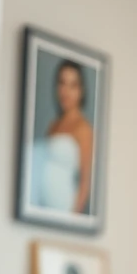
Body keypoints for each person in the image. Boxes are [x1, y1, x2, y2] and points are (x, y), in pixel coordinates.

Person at [31, 59, 94, 215]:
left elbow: (86, 182)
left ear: (81, 90)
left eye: (72, 85)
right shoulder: (53, 126)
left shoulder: (83, 128)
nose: (66, 91)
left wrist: (73, 216)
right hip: (43, 208)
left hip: (65, 208)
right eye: (62, 83)